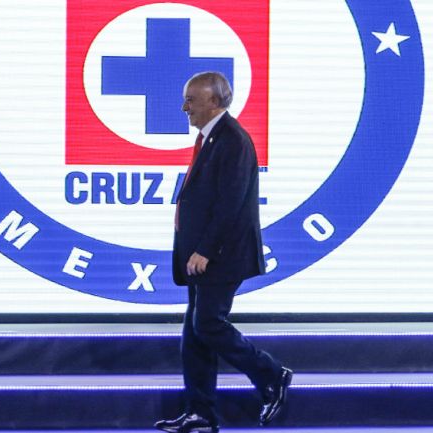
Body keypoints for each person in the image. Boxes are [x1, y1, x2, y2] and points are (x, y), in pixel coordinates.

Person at [155, 71, 292, 433]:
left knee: (208, 324)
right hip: (202, 258)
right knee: (195, 334)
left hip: (220, 256)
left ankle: (272, 374)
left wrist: (204, 249)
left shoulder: (232, 140)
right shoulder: (212, 138)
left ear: (214, 102)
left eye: (191, 100)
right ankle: (200, 413)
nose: (184, 107)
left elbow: (230, 205)